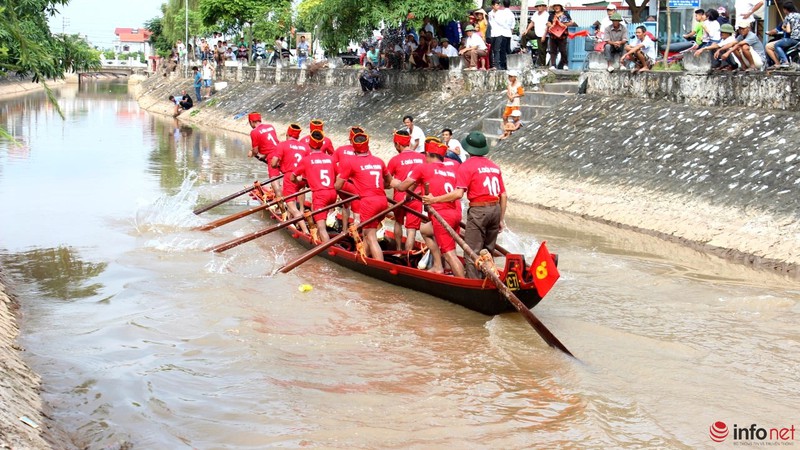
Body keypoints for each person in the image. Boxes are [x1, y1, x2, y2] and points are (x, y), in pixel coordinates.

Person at [422, 131, 506, 279]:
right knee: (488, 251)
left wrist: (434, 200)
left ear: (468, 149)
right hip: (496, 209)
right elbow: (503, 195)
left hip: (479, 210)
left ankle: (472, 284)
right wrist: (501, 219)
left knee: (472, 252)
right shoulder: (494, 166)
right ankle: (487, 279)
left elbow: (458, 194)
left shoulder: (466, 166)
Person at [392, 142, 465, 277]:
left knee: (449, 254)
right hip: (456, 212)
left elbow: (402, 187)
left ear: (428, 154)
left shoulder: (423, 167)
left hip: (441, 215)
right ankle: (438, 266)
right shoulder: (453, 168)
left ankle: (463, 283)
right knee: (425, 230)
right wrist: (409, 196)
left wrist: (394, 182)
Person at [334, 133, 392, 261]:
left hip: (369, 203)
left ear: (353, 147)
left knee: (371, 237)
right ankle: (362, 257)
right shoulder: (379, 161)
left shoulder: (350, 162)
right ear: (368, 145)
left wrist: (338, 179)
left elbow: (338, 186)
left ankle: (380, 265)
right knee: (367, 233)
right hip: (383, 201)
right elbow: (389, 182)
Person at [291, 130, 336, 242]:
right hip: (333, 193)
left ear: (309, 144)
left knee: (321, 227)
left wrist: (298, 181)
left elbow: (292, 177)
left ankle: (326, 248)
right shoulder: (331, 159)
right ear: (321, 144)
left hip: (320, 195)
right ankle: (320, 236)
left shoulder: (306, 160)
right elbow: (338, 175)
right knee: (319, 217)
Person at [387, 130, 425, 252]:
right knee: (411, 230)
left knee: (398, 222)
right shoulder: (422, 157)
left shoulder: (395, 160)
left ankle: (398, 250)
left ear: (398, 144)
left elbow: (387, 182)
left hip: (400, 197)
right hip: (416, 197)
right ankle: (408, 254)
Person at [271, 124, 310, 233]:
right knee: (294, 197)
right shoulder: (305, 147)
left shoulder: (282, 145)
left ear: (287, 134)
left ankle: (305, 231)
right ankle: (290, 219)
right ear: (298, 136)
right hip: (302, 178)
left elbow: (273, 163)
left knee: (291, 205)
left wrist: (279, 166)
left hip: (290, 177)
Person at [247, 112, 281, 193]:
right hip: (282, 151)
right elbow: (272, 144)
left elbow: (255, 151)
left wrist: (251, 153)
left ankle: (279, 198)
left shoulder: (254, 132)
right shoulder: (270, 126)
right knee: (288, 173)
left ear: (251, 122)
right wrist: (265, 156)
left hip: (272, 156)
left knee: (274, 178)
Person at [766, 2, 800, 69]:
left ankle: (784, 62)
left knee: (777, 45)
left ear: (785, 9)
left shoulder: (788, 17)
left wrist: (783, 28)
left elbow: (788, 30)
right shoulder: (799, 15)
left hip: (793, 39)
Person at [547, 0, 575, 70]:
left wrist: (562, 24)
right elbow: (548, 23)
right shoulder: (551, 15)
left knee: (563, 50)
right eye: (555, 6)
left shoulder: (566, 14)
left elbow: (571, 23)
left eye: (558, 6)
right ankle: (553, 65)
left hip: (562, 35)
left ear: (561, 7)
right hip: (553, 35)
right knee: (553, 50)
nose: (556, 7)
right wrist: (551, 25)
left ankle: (565, 64)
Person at [521, 0, 549, 67]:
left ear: (544, 7)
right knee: (525, 34)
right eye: (537, 6)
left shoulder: (546, 15)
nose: (539, 7)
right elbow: (532, 23)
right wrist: (527, 30)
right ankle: (524, 48)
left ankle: (542, 65)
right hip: (536, 32)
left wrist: (544, 35)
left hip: (543, 34)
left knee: (541, 51)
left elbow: (548, 26)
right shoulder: (536, 14)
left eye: (540, 6)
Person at [488, 0, 515, 70]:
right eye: (497, 5)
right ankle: (493, 65)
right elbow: (490, 23)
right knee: (493, 49)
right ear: (493, 6)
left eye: (499, 5)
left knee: (497, 49)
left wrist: (495, 18)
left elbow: (503, 23)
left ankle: (497, 65)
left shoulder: (501, 13)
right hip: (493, 33)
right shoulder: (490, 13)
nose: (498, 6)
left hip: (500, 33)